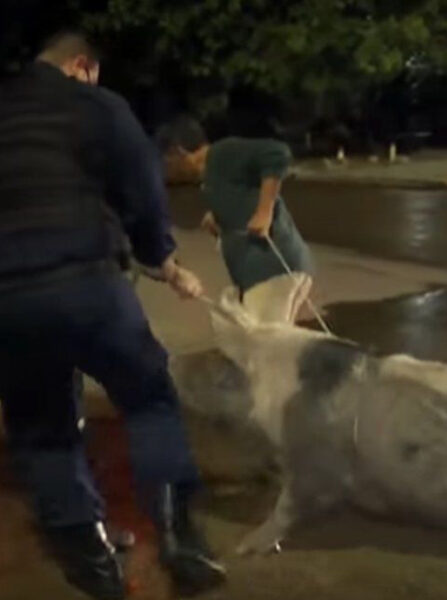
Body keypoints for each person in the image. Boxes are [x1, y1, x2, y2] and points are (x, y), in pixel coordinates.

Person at [0, 32, 225, 599]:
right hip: (88, 283)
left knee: (43, 428)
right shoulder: (94, 104)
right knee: (148, 398)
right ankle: (178, 537)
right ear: (81, 66)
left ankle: (91, 563)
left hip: (10, 299)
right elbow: (141, 184)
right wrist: (159, 255)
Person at [160, 116, 314, 296]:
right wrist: (219, 220)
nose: (167, 170)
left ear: (178, 151)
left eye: (167, 161)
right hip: (259, 275)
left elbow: (278, 153)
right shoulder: (210, 178)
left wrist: (264, 213)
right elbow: (241, 201)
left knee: (254, 316)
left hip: (273, 269)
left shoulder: (222, 153)